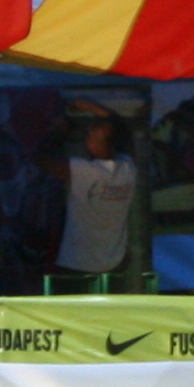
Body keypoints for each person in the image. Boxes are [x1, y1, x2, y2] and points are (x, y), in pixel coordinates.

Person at [53, 113, 137, 288]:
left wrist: (57, 133)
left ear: (93, 143)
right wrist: (87, 106)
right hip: (115, 261)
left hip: (77, 263)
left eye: (90, 137)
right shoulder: (128, 167)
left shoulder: (84, 170)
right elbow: (124, 130)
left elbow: (40, 160)